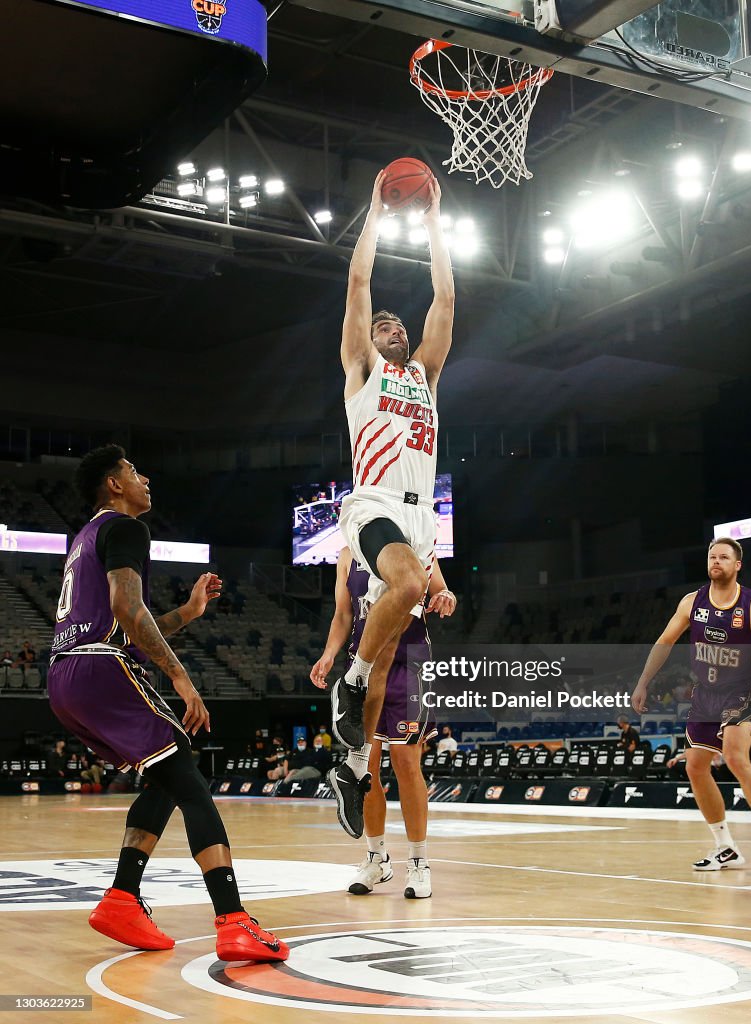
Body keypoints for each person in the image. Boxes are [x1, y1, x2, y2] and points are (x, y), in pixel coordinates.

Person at [47, 444, 289, 962]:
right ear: (114, 485)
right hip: (98, 667)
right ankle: (233, 919)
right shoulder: (127, 528)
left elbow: (129, 623)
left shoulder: (86, 537)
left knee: (165, 776)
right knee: (191, 782)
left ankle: (121, 898)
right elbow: (127, 610)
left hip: (65, 675)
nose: (145, 478)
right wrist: (182, 678)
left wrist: (188, 612)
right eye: (134, 471)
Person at [328, 169, 455, 841]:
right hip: (373, 501)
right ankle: (346, 682)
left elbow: (444, 296)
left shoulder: (425, 376)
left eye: (395, 323)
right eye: (380, 324)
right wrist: (375, 210)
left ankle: (349, 764)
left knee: (387, 662)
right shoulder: (362, 371)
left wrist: (434, 222)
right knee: (403, 587)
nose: (390, 324)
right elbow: (357, 287)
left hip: (419, 520)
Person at [632, 537, 751, 874]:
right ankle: (725, 846)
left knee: (733, 756)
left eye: (724, 557)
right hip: (706, 693)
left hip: (742, 690)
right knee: (694, 766)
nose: (716, 561)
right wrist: (643, 682)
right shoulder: (691, 602)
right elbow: (664, 641)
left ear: (737, 565)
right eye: (712, 556)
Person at [311, 546, 456, 897]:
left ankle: (419, 863)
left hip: (409, 667)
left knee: (407, 765)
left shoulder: (418, 544)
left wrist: (446, 597)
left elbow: (441, 590)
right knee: (367, 767)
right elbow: (344, 614)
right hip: (365, 667)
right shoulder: (347, 555)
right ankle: (377, 858)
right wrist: (329, 655)